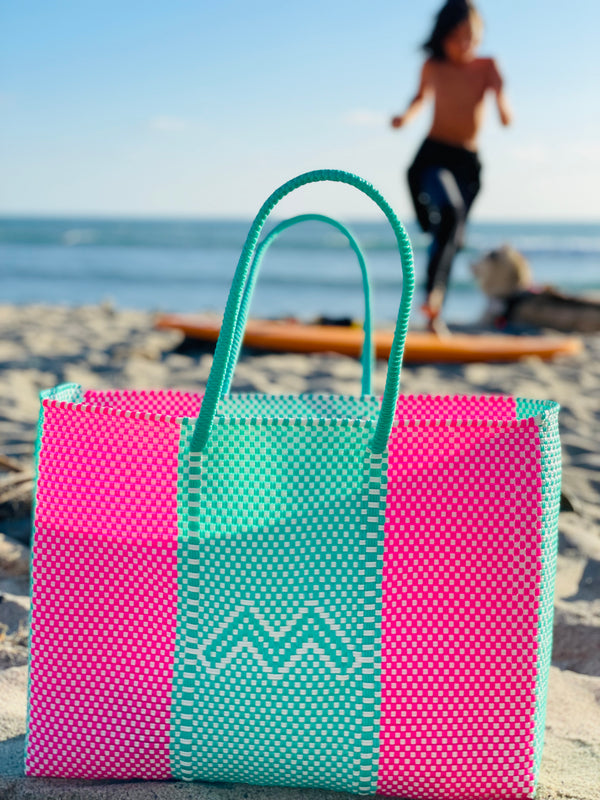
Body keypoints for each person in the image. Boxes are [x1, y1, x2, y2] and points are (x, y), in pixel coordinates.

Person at [391, 0, 512, 334]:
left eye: (472, 36)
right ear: (442, 36)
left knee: (453, 237)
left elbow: (501, 95)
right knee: (448, 217)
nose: (465, 44)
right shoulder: (433, 65)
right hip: (433, 157)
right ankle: (432, 296)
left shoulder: (488, 65)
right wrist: (405, 117)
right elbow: (420, 98)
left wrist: (503, 108)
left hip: (468, 164)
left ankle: (434, 311)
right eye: (457, 37)